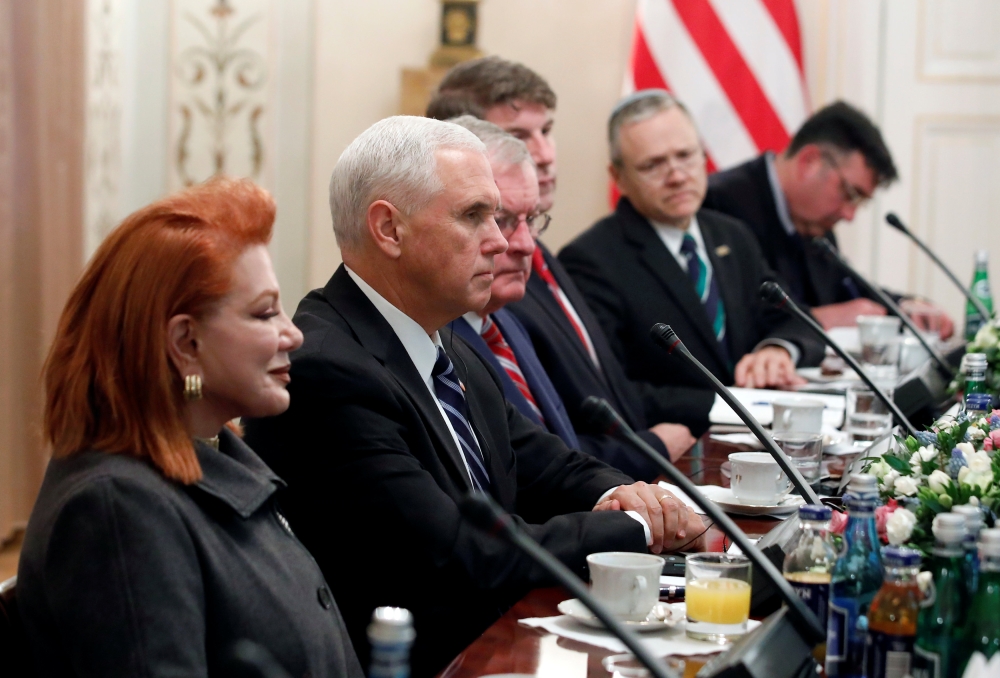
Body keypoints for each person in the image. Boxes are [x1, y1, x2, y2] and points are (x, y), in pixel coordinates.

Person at [242, 116, 706, 676]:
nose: (503, 240)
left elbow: (548, 468)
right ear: (389, 229)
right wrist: (639, 526)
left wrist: (637, 496)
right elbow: (461, 551)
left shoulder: (441, 337)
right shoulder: (329, 371)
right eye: (474, 216)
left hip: (501, 638)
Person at [17, 178, 363, 677]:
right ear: (185, 343)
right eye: (265, 313)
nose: (294, 333)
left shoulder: (218, 461)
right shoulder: (118, 511)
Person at [428, 56, 697, 455]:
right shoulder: (482, 286)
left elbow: (594, 395)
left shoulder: (538, 256)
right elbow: (524, 455)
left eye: (547, 131)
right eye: (518, 136)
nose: (543, 153)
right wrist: (648, 450)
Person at [560, 90, 825, 433]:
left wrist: (778, 350)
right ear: (619, 177)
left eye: (685, 155)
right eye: (653, 165)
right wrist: (732, 403)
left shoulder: (732, 234)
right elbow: (613, 390)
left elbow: (795, 318)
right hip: (682, 447)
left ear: (703, 155)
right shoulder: (591, 260)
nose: (677, 175)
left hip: (765, 438)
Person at [446, 115, 671, 480]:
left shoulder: (506, 322)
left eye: (532, 219)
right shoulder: (438, 338)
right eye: (500, 219)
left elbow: (557, 454)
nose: (524, 244)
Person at [704, 101, 954, 336]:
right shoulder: (720, 204)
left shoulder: (813, 222)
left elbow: (847, 290)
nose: (849, 214)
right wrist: (818, 319)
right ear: (809, 161)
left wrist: (904, 306)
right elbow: (728, 324)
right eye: (849, 193)